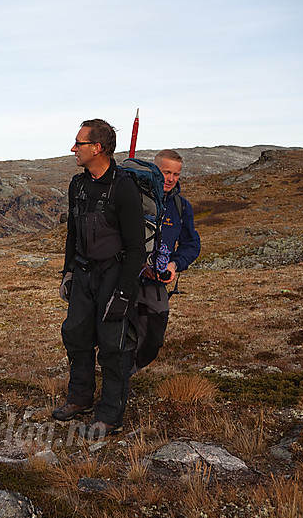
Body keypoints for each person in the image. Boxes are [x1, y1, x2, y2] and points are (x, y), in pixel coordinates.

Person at [54, 119, 145, 439]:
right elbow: (73, 233)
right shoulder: (77, 185)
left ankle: (109, 414)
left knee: (112, 345)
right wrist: (67, 272)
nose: (73, 149)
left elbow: (136, 247)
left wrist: (124, 292)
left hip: (114, 275)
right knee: (75, 336)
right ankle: (79, 398)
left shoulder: (124, 188)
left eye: (79, 143)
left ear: (98, 148)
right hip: (82, 273)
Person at [132, 149, 201, 371]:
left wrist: (174, 265)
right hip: (127, 280)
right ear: (155, 171)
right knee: (122, 337)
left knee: (152, 340)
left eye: (176, 174)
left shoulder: (181, 207)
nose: (170, 179)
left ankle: (126, 375)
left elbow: (191, 244)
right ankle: (118, 384)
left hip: (157, 284)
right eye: (165, 172)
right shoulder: (134, 199)